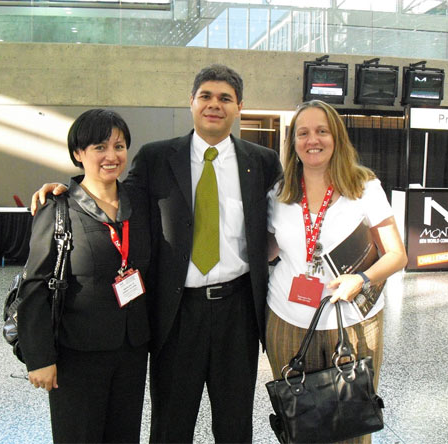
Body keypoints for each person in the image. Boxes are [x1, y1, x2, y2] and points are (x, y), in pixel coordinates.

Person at [31, 64, 282, 443]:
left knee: (235, 424)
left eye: (225, 98)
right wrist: (67, 190)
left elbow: (289, 211)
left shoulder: (262, 162)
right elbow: (111, 194)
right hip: (176, 311)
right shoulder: (156, 158)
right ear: (191, 103)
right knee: (170, 423)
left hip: (238, 311)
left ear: (239, 106)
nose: (214, 105)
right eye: (206, 96)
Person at [266, 100, 407, 444]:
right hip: (288, 321)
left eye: (321, 131)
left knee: (352, 426)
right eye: (303, 133)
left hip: (354, 321)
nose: (312, 140)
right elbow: (268, 250)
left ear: (336, 137)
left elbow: (397, 255)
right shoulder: (279, 193)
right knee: (300, 424)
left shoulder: (364, 187)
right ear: (293, 142)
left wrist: (361, 279)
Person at [17, 109, 151, 444]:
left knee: (124, 436)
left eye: (119, 147)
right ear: (79, 153)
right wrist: (40, 358)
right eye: (99, 147)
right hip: (77, 353)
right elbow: (34, 287)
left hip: (131, 351)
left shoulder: (139, 202)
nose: (111, 156)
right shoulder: (57, 208)